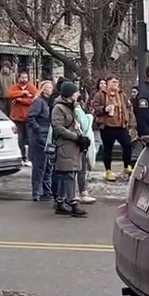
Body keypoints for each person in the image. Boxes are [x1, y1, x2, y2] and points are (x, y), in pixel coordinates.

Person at [50, 81, 89, 217]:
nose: (77, 94)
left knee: (66, 173)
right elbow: (58, 128)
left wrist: (82, 138)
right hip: (65, 145)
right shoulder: (59, 108)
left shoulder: (72, 107)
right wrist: (75, 137)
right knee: (69, 174)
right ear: (69, 94)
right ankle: (72, 203)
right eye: (75, 92)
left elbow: (77, 125)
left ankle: (60, 202)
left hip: (73, 146)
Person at [90, 75, 135, 182]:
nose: (116, 84)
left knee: (127, 144)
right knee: (108, 148)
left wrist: (128, 118)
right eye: (113, 82)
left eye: (117, 82)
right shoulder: (100, 95)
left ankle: (127, 166)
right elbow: (94, 106)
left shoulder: (122, 94)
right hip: (107, 126)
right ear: (108, 83)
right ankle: (108, 170)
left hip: (121, 125)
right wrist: (104, 109)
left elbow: (128, 107)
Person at [26, 81, 54, 200]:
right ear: (42, 89)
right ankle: (36, 191)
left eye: (51, 88)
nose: (50, 90)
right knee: (39, 166)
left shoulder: (48, 103)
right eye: (48, 88)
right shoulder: (39, 102)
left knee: (47, 165)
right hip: (39, 137)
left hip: (47, 135)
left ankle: (46, 190)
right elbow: (31, 117)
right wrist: (38, 130)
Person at [6, 72, 36, 166]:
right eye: (22, 77)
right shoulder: (14, 87)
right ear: (19, 78)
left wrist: (20, 100)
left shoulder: (31, 87)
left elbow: (34, 99)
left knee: (30, 138)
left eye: (26, 77)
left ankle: (30, 158)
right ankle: (22, 157)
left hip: (28, 117)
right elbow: (10, 94)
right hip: (17, 117)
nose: (24, 79)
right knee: (20, 139)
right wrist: (23, 93)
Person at [74, 90, 97, 204]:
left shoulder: (76, 111)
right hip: (79, 143)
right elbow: (82, 127)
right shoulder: (76, 111)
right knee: (81, 169)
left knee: (81, 168)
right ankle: (82, 192)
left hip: (80, 142)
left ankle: (80, 192)